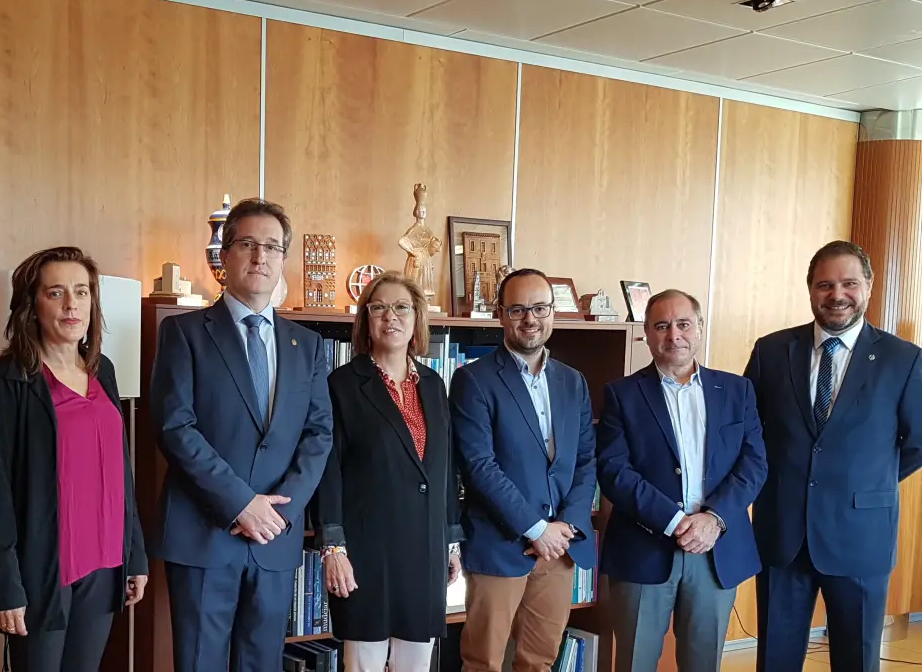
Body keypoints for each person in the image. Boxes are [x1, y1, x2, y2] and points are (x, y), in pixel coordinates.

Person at [149, 198, 333, 672]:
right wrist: (240, 503)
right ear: (225, 255)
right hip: (205, 533)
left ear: (283, 259)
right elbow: (175, 427)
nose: (260, 256)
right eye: (248, 244)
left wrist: (277, 512)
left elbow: (318, 435)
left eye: (272, 247)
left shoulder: (308, 344)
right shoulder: (184, 333)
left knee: (262, 664)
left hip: (275, 538)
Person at [745, 240, 922, 672]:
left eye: (849, 283)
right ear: (810, 289)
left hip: (861, 534)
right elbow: (749, 433)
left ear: (868, 287)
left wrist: (866, 480)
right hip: (783, 532)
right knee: (775, 660)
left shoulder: (904, 359)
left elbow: (917, 442)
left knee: (856, 660)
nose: (837, 294)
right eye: (825, 285)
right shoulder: (771, 351)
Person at [0, 247, 148, 672]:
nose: (72, 304)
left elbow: (122, 473)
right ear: (32, 305)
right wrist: (5, 585)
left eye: (82, 292)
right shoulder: (11, 378)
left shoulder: (104, 370)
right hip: (44, 570)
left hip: (107, 563)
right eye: (56, 293)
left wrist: (136, 555)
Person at [596, 289, 767, 672]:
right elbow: (614, 471)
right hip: (644, 549)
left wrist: (713, 519)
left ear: (700, 328)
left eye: (684, 324)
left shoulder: (737, 390)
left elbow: (754, 464)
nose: (674, 335)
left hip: (716, 550)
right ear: (646, 333)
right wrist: (674, 522)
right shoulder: (622, 394)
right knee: (635, 663)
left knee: (703, 663)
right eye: (662, 326)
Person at [449, 268, 597, 672]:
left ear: (553, 312)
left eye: (540, 308)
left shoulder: (573, 382)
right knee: (483, 662)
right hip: (500, 544)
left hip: (560, 548)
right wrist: (536, 529)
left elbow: (585, 460)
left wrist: (566, 526)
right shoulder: (472, 380)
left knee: (539, 661)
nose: (530, 319)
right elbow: (479, 466)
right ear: (501, 314)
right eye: (518, 309)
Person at [315, 271, 463, 672]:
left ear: (417, 318)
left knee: (416, 664)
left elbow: (444, 467)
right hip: (366, 552)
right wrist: (333, 548)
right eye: (378, 308)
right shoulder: (342, 384)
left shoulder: (434, 384)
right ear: (365, 320)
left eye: (401, 307)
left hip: (424, 550)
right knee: (364, 663)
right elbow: (328, 472)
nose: (390, 316)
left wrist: (451, 542)